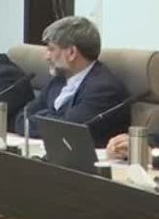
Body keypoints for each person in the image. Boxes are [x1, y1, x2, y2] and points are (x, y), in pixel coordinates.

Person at [18, 16, 130, 147]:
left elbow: (66, 129)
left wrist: (43, 116)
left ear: (72, 52)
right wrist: (54, 117)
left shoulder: (104, 88)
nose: (46, 56)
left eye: (51, 49)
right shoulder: (58, 81)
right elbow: (21, 119)